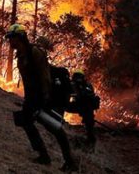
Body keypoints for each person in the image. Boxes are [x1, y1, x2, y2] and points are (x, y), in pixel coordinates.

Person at [7, 24, 78, 172]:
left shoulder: (35, 52)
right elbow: (27, 80)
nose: (10, 41)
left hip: (46, 96)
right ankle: (43, 156)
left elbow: (45, 76)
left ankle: (70, 162)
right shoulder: (21, 56)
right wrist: (28, 99)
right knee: (25, 121)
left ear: (19, 37)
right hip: (32, 97)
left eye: (11, 38)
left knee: (55, 128)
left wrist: (45, 98)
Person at [67, 69, 99, 147]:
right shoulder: (87, 85)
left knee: (89, 122)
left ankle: (90, 138)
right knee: (89, 121)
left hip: (83, 107)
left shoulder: (76, 85)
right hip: (84, 108)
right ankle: (90, 137)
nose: (78, 79)